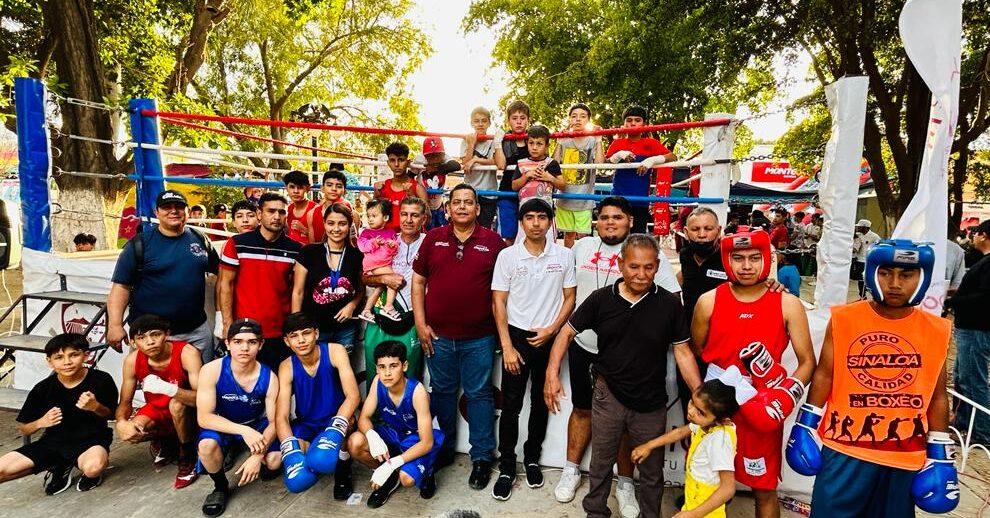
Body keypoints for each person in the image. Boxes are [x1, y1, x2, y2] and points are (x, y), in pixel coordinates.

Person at [787, 240, 958, 516]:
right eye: (885, 272)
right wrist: (805, 425)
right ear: (872, 272)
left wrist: (940, 453)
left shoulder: (937, 329)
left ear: (921, 277)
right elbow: (824, 375)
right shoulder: (845, 318)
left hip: (904, 452)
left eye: (906, 275)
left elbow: (937, 395)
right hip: (845, 447)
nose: (894, 283)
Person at [545, 234, 702, 518]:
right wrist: (551, 373)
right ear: (620, 264)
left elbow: (683, 353)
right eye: (634, 267)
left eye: (649, 267)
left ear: (657, 266)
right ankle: (595, 511)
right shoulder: (601, 299)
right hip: (608, 396)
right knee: (601, 463)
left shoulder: (668, 304)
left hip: (652, 401)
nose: (641, 274)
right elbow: (567, 332)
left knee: (653, 470)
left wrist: (699, 395)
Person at [692, 227, 816, 518]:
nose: (746, 266)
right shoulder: (708, 301)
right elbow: (698, 348)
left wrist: (786, 393)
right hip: (716, 398)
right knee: (708, 480)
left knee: (764, 485)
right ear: (727, 260)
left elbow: (807, 360)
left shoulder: (787, 303)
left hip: (763, 399)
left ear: (766, 259)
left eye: (754, 257)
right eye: (738, 258)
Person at [412, 183, 506, 490]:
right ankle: (442, 449)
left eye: (469, 202)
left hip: (480, 337)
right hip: (437, 335)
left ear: (478, 209)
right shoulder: (433, 240)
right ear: (448, 208)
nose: (463, 207)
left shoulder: (494, 243)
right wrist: (420, 323)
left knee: (479, 395)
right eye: (457, 202)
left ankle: (481, 458)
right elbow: (417, 283)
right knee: (441, 392)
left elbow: (501, 292)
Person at [491, 198, 577, 501]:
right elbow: (498, 301)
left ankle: (531, 459)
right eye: (530, 217)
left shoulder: (564, 256)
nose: (536, 223)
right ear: (522, 222)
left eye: (542, 217)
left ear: (550, 221)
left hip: (549, 337)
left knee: (541, 403)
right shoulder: (507, 256)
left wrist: (552, 331)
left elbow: (570, 298)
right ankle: (506, 467)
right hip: (515, 337)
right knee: (511, 406)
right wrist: (507, 345)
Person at [108, 189, 220, 360]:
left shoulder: (200, 239)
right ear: (157, 212)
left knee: (202, 385)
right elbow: (121, 286)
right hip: (150, 337)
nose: (173, 211)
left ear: (187, 212)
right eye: (167, 207)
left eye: (179, 207)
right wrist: (115, 324)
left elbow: (221, 278)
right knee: (152, 385)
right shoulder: (139, 244)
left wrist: (222, 319)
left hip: (195, 332)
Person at [0, 334, 117, 494]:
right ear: (49, 361)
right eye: (59, 357)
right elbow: (23, 428)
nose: (67, 362)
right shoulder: (43, 388)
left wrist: (95, 407)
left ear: (86, 355)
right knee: (2, 470)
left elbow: (112, 415)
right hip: (53, 443)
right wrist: (41, 422)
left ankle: (87, 473)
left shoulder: (101, 380)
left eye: (74, 355)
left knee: (93, 468)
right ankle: (59, 465)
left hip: (91, 440)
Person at [197, 318, 281, 517]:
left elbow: (274, 422)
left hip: (256, 423)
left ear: (260, 345)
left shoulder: (269, 377)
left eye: (252, 342)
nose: (245, 348)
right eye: (238, 341)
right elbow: (204, 417)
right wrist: (244, 431)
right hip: (224, 423)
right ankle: (220, 487)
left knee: (274, 461)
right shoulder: (211, 370)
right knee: (206, 447)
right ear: (227, 343)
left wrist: (257, 455)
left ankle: (248, 452)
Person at [274, 312, 361, 499]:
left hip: (336, 417)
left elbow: (353, 396)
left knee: (344, 428)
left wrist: (334, 428)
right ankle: (311, 459)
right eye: (294, 336)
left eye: (306, 333)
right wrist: (290, 452)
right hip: (308, 424)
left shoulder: (335, 351)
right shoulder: (286, 366)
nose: (301, 340)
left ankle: (343, 469)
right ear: (287, 341)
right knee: (297, 468)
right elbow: (280, 416)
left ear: (316, 333)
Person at [347, 341, 444, 507]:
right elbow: (364, 417)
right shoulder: (378, 381)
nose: (387, 373)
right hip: (394, 433)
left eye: (393, 366)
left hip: (417, 438)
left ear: (404, 366)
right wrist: (372, 437)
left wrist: (392, 464)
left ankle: (427, 472)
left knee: (407, 479)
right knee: (355, 442)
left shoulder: (417, 392)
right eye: (382, 367)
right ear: (376, 368)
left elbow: (427, 442)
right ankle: (390, 479)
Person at [631, 378, 740, 518]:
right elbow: (680, 432)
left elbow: (727, 489)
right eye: (692, 402)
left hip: (707, 511)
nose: (691, 411)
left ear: (720, 420)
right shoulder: (704, 423)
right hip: (692, 502)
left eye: (700, 412)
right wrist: (649, 446)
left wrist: (693, 514)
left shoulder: (720, 441)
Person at [115, 314, 202, 488]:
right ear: (133, 343)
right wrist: (121, 423)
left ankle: (187, 455)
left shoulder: (187, 353)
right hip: (157, 409)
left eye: (155, 334)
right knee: (134, 428)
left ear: (167, 334)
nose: (150, 342)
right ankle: (167, 441)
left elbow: (204, 399)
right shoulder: (132, 361)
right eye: (141, 338)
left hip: (189, 411)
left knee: (176, 405)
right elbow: (125, 403)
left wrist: (167, 389)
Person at [219, 192, 301, 371]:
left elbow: (297, 289)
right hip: (244, 330)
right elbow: (225, 284)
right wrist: (227, 324)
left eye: (281, 212)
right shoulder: (237, 243)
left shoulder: (295, 249)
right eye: (271, 211)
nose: (277, 217)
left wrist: (294, 327)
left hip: (280, 331)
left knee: (278, 387)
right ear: (259, 214)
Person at [361, 196, 429, 388]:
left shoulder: (431, 243)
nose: (409, 220)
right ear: (398, 216)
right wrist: (384, 279)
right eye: (405, 214)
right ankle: (374, 417)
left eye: (415, 215)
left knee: (409, 372)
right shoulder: (386, 240)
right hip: (383, 312)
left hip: (414, 315)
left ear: (423, 219)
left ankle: (408, 416)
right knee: (377, 371)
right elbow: (365, 277)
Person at [292, 203, 364, 349]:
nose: (336, 229)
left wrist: (352, 305)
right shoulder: (309, 252)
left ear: (349, 226)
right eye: (331, 223)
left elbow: (360, 290)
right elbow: (298, 291)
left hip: (345, 328)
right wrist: (296, 324)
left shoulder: (357, 255)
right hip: (314, 327)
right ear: (324, 224)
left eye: (342, 224)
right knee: (317, 369)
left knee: (342, 370)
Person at [946, 219, 990, 445]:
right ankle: (963, 421)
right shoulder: (983, 262)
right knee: (962, 378)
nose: (972, 237)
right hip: (968, 328)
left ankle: (983, 431)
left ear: (983, 235)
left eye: (975, 233)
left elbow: (984, 298)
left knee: (974, 380)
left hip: (977, 329)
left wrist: (956, 301)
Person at [604, 105, 677, 234]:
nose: (633, 123)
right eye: (629, 120)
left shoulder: (651, 143)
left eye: (637, 120)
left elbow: (672, 156)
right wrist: (620, 155)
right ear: (624, 124)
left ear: (645, 124)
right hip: (617, 199)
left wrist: (652, 160)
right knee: (614, 236)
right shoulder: (617, 143)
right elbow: (606, 163)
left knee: (637, 239)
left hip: (640, 200)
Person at [552, 103, 603, 248]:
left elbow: (600, 164)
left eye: (582, 116)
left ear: (588, 120)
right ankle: (569, 265)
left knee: (583, 237)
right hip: (565, 198)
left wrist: (599, 139)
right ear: (569, 120)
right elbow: (553, 165)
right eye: (574, 116)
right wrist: (559, 142)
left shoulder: (592, 140)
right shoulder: (566, 139)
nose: (578, 120)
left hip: (584, 198)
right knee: (568, 235)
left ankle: (581, 265)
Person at [493, 100, 532, 244]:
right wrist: (497, 142)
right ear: (509, 121)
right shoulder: (504, 140)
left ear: (528, 120)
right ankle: (504, 264)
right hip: (508, 192)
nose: (519, 122)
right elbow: (501, 165)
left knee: (532, 233)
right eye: (515, 118)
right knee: (508, 236)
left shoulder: (533, 139)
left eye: (522, 118)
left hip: (529, 193)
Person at [357, 198, 401, 322]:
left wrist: (393, 246)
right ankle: (388, 306)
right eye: (369, 216)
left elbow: (394, 252)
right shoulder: (366, 232)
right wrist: (374, 242)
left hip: (382, 264)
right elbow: (362, 246)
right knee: (393, 278)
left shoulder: (391, 232)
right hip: (374, 265)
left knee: (380, 288)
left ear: (385, 218)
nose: (370, 219)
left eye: (374, 216)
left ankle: (366, 310)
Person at [459, 106, 498, 229]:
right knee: (466, 227)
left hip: (489, 193)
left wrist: (476, 160)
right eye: (476, 121)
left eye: (484, 121)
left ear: (489, 123)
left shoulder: (493, 141)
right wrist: (471, 144)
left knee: (484, 229)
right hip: (470, 192)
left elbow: (496, 161)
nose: (480, 124)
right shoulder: (465, 141)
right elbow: (465, 164)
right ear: (471, 123)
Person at [376, 142, 428, 233]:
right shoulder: (382, 187)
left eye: (401, 160)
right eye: (392, 160)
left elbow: (427, 219)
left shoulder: (417, 188)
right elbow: (374, 216)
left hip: (411, 239)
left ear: (408, 162)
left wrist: (412, 197)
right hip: (387, 240)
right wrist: (376, 196)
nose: (396, 164)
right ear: (388, 163)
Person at [415, 136, 461, 229]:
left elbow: (456, 166)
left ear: (442, 154)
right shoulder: (419, 160)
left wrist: (436, 169)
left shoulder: (445, 157)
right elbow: (410, 176)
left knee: (440, 229)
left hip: (438, 204)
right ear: (425, 156)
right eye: (431, 156)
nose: (435, 159)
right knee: (424, 229)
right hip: (423, 202)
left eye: (437, 155)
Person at [310, 167, 351, 243]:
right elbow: (312, 245)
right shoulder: (312, 213)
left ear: (344, 191)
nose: (334, 189)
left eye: (339, 186)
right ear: (322, 188)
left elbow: (353, 243)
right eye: (329, 185)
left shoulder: (352, 213)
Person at [283, 170, 320, 245]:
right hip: (291, 252)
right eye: (292, 187)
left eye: (300, 187)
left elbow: (322, 240)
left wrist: (304, 230)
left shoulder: (316, 210)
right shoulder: (289, 209)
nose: (296, 191)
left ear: (307, 188)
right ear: (286, 188)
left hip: (309, 253)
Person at [852, 219, 881, 299]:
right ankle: (862, 296)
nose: (857, 228)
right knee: (859, 279)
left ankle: (871, 294)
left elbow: (879, 246)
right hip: (859, 260)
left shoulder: (874, 236)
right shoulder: (859, 235)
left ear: (865, 227)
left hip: (867, 261)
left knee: (866, 278)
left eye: (859, 227)